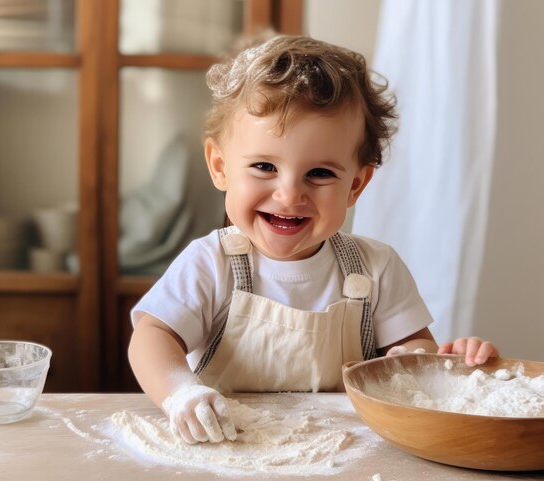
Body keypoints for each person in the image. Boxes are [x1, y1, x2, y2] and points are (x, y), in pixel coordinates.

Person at [128, 35, 499, 445]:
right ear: (220, 167)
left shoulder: (375, 268)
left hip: (344, 451)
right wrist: (181, 392)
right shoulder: (210, 262)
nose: (289, 195)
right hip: (229, 447)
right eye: (265, 166)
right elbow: (151, 337)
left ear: (356, 184)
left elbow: (412, 353)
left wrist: (437, 363)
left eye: (320, 174)